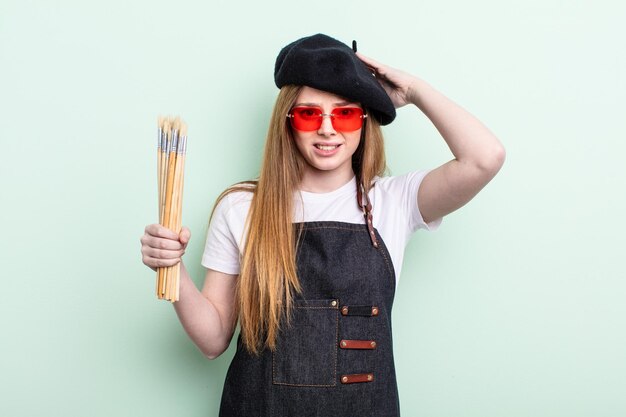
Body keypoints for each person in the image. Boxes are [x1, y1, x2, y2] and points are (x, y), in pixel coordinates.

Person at [140, 33, 505, 416]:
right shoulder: (240, 207)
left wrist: (414, 91)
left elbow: (485, 158)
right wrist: (172, 268)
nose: (327, 129)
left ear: (364, 122)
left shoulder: (393, 202)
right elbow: (213, 340)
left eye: (345, 113)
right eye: (309, 113)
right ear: (288, 123)